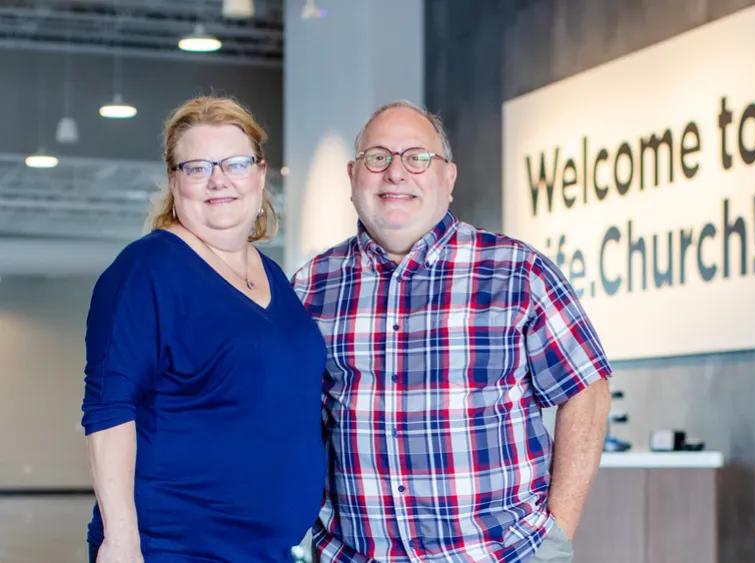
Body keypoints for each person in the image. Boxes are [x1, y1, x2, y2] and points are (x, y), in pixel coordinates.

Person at [292, 100, 612, 563]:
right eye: (377, 157)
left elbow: (587, 390)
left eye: (417, 158)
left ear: (449, 177)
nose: (395, 173)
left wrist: (556, 536)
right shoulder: (311, 286)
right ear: (353, 175)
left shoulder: (518, 272)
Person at [80, 96, 326, 563]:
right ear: (174, 181)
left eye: (236, 163)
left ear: (260, 174)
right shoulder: (147, 269)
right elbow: (109, 408)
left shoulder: (272, 275)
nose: (219, 180)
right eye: (197, 167)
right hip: (173, 546)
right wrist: (121, 539)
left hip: (268, 550)